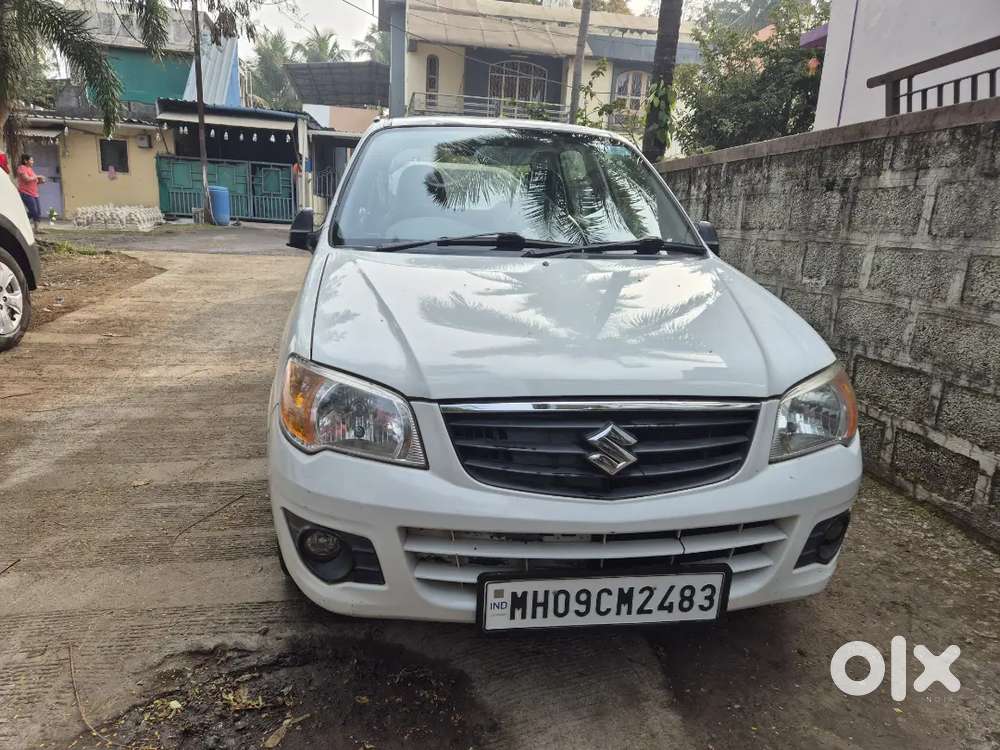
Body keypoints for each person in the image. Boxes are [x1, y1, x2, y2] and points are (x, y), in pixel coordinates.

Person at [16, 154, 45, 231]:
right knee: (34, 211)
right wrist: (37, 176)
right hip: (26, 193)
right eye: (31, 160)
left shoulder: (30, 169)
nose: (33, 162)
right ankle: (35, 228)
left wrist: (40, 181)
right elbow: (26, 179)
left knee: (37, 212)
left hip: (34, 193)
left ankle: (21, 223)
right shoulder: (22, 168)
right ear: (25, 161)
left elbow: (33, 181)